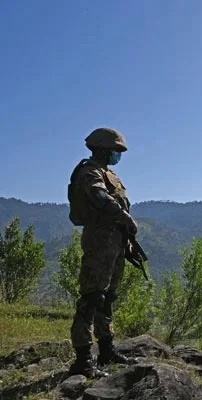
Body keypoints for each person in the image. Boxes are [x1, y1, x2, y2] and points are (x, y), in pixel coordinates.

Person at [66, 127, 139, 377]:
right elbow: (99, 197)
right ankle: (83, 359)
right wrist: (125, 217)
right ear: (103, 150)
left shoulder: (111, 174)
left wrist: (127, 242)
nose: (117, 156)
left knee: (108, 298)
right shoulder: (90, 172)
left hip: (115, 242)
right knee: (92, 297)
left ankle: (106, 349)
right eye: (115, 151)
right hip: (99, 241)